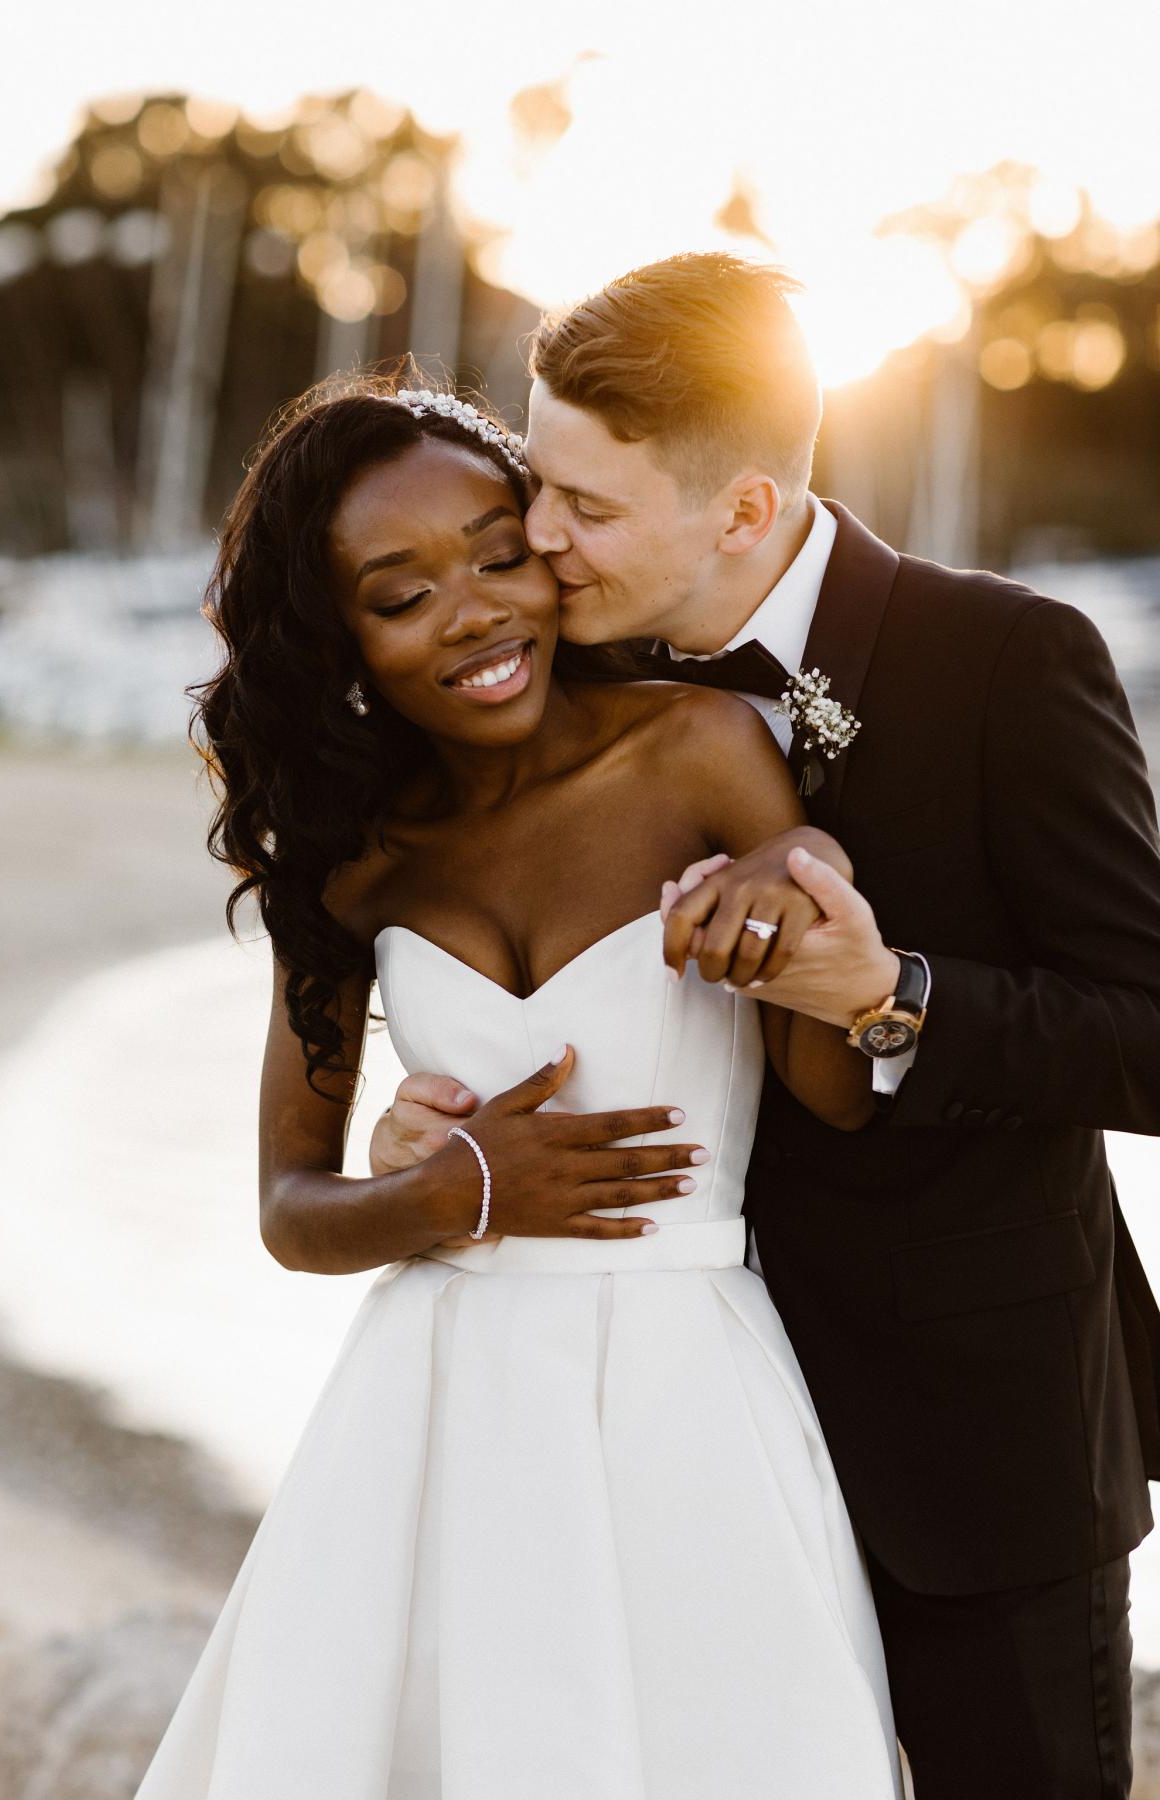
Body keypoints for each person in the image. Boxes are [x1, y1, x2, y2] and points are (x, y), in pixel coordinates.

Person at [373, 254, 1160, 1799]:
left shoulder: (1007, 661)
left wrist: (894, 999)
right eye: (540, 484)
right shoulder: (559, 671)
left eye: (586, 510)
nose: (538, 538)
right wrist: (424, 1121)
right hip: (666, 1447)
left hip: (972, 1457)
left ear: (739, 509)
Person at [134, 375, 903, 1799]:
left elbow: (836, 1094)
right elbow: (294, 1210)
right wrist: (452, 1190)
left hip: (686, 1380)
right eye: (402, 591)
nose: (477, 612)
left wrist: (809, 891)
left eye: (500, 555)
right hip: (437, 1404)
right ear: (341, 635)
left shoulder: (705, 750)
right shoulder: (356, 864)